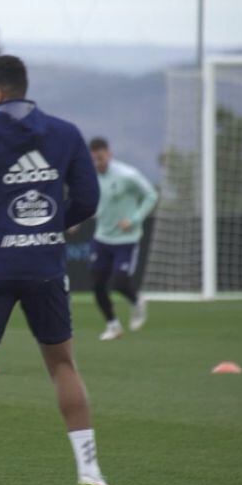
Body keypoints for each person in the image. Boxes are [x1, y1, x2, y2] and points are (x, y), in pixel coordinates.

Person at [0, 55, 116, 485]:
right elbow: (88, 198)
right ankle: (90, 474)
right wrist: (54, 225)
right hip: (45, 264)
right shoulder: (64, 133)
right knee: (63, 365)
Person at [86, 137, 158, 341]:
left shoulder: (128, 175)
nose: (97, 163)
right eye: (93, 159)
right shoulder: (90, 176)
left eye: (100, 158)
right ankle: (113, 325)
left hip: (126, 240)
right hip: (102, 238)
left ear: (109, 154)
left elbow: (151, 195)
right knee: (97, 284)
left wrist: (134, 219)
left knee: (119, 282)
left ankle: (137, 301)